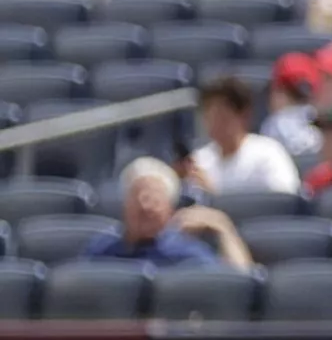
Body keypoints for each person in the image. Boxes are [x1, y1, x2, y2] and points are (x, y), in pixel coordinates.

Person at [83, 158, 250, 270]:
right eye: (139, 197)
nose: (146, 206)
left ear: (170, 210)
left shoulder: (188, 253)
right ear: (125, 204)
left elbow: (238, 284)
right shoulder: (101, 250)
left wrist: (222, 225)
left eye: (155, 200)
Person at [186, 75, 301, 197]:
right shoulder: (200, 160)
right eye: (208, 114)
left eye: (221, 115)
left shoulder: (268, 153)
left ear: (243, 115)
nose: (214, 122)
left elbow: (283, 201)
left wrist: (214, 194)